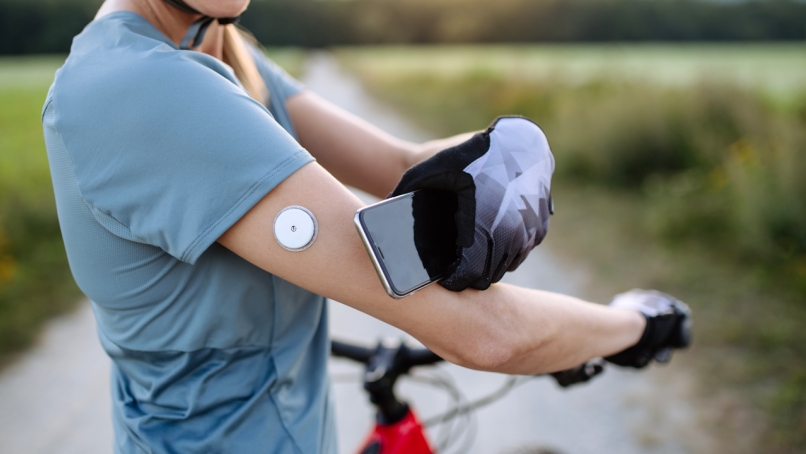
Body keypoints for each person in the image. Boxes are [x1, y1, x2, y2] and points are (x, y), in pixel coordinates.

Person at [41, 0, 691, 452]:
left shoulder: (217, 53)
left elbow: (398, 164)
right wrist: (632, 323)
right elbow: (481, 334)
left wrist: (516, 147)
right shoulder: (142, 88)